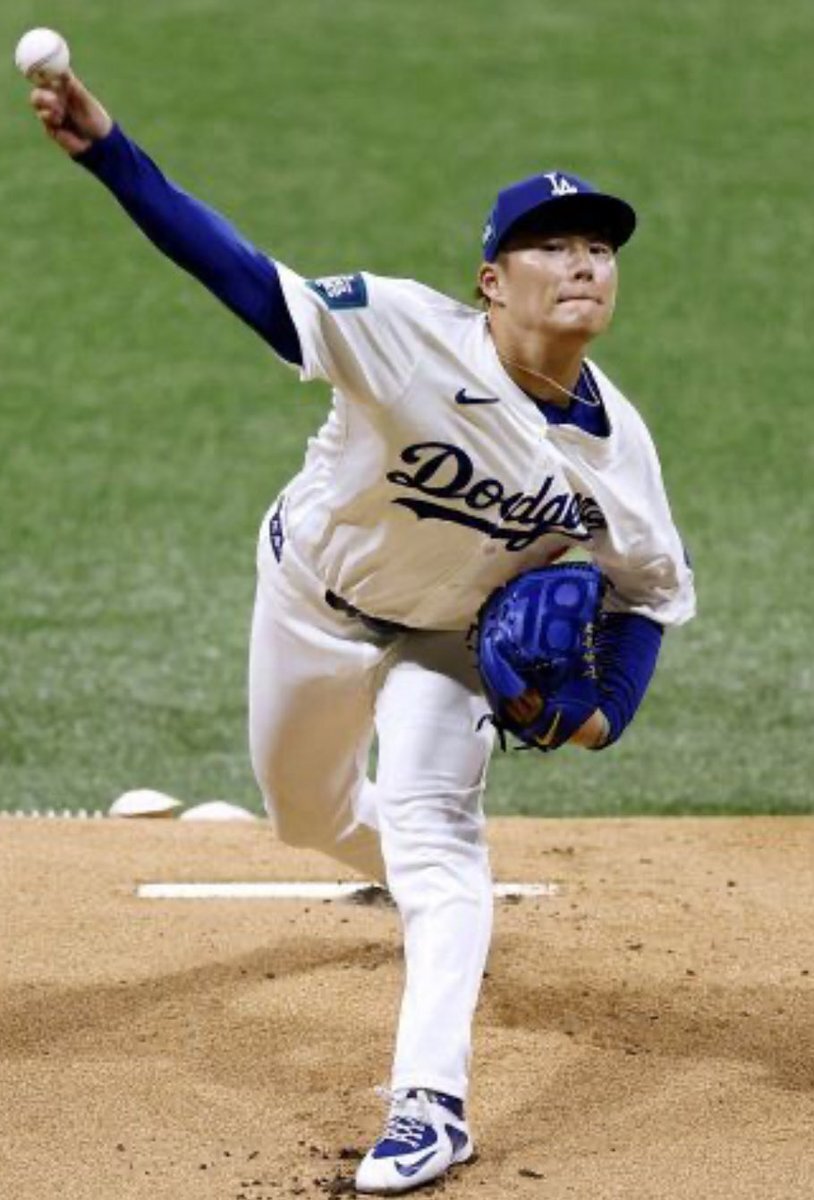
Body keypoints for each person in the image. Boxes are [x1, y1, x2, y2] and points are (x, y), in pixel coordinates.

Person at [28, 72, 695, 1195]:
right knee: (306, 814)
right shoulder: (401, 332)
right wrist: (110, 153)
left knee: (441, 843)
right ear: (491, 282)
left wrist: (595, 720)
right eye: (551, 245)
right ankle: (404, 883)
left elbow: (648, 596)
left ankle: (432, 1106)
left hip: (451, 642)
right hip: (310, 598)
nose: (583, 262)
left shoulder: (620, 454)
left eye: (598, 247)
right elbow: (241, 276)